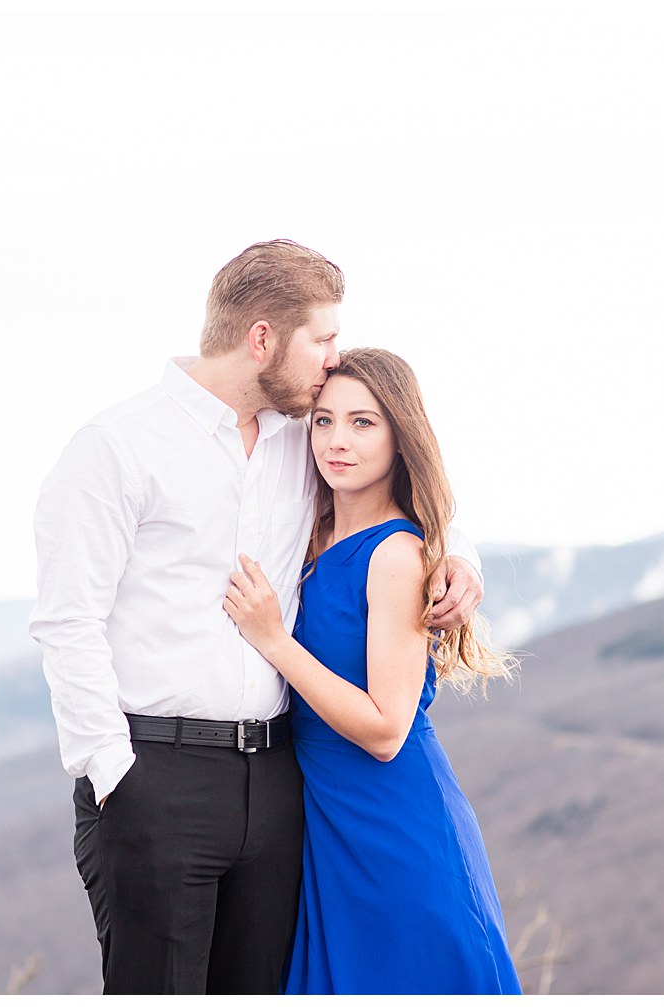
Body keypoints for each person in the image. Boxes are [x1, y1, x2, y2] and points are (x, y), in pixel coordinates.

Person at [27, 241, 487, 995]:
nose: (333, 359)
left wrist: (460, 555)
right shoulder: (117, 448)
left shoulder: (299, 440)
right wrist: (114, 775)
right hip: (156, 775)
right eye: (324, 339)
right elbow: (66, 622)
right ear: (263, 338)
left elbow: (395, 489)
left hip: (280, 783)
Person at [223, 347, 522, 995]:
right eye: (324, 421)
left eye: (363, 423)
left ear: (399, 433)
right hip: (327, 827)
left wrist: (274, 639)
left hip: (393, 824)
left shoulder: (395, 554)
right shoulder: (309, 533)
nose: (338, 440)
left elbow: (386, 728)